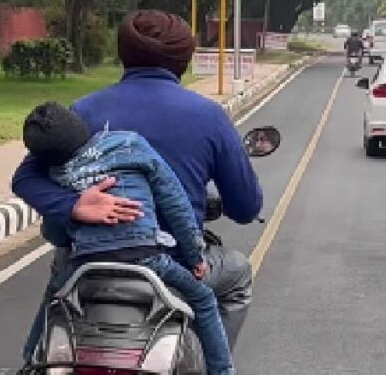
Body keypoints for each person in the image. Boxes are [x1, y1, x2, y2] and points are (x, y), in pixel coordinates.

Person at [12, 10, 262, 363]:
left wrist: (72, 206)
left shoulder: (83, 110)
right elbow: (245, 207)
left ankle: (30, 362)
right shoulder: (208, 116)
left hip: (85, 263)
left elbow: (25, 178)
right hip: (169, 263)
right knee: (237, 273)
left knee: (58, 278)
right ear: (185, 60)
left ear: (122, 54)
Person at [21, 102, 235, 375]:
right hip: (147, 260)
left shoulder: (57, 175)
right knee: (204, 299)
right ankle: (222, 371)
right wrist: (194, 256)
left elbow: (56, 234)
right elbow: (175, 203)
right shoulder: (129, 144)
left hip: (85, 267)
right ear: (81, 127)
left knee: (54, 298)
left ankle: (29, 360)